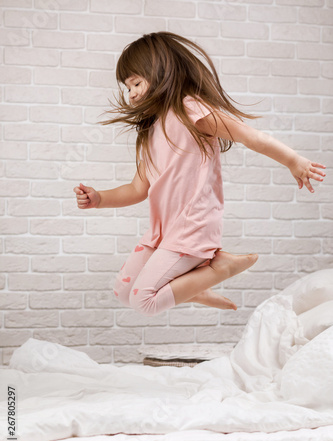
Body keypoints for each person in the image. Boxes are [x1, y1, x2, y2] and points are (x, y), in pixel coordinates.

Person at [74, 32, 326, 317]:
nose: (130, 93)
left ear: (160, 73)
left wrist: (293, 160)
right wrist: (99, 199)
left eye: (136, 83)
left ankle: (221, 268)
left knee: (144, 301)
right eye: (126, 87)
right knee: (122, 292)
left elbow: (249, 136)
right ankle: (193, 288)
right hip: (164, 230)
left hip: (192, 226)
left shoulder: (190, 110)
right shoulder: (150, 130)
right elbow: (137, 188)